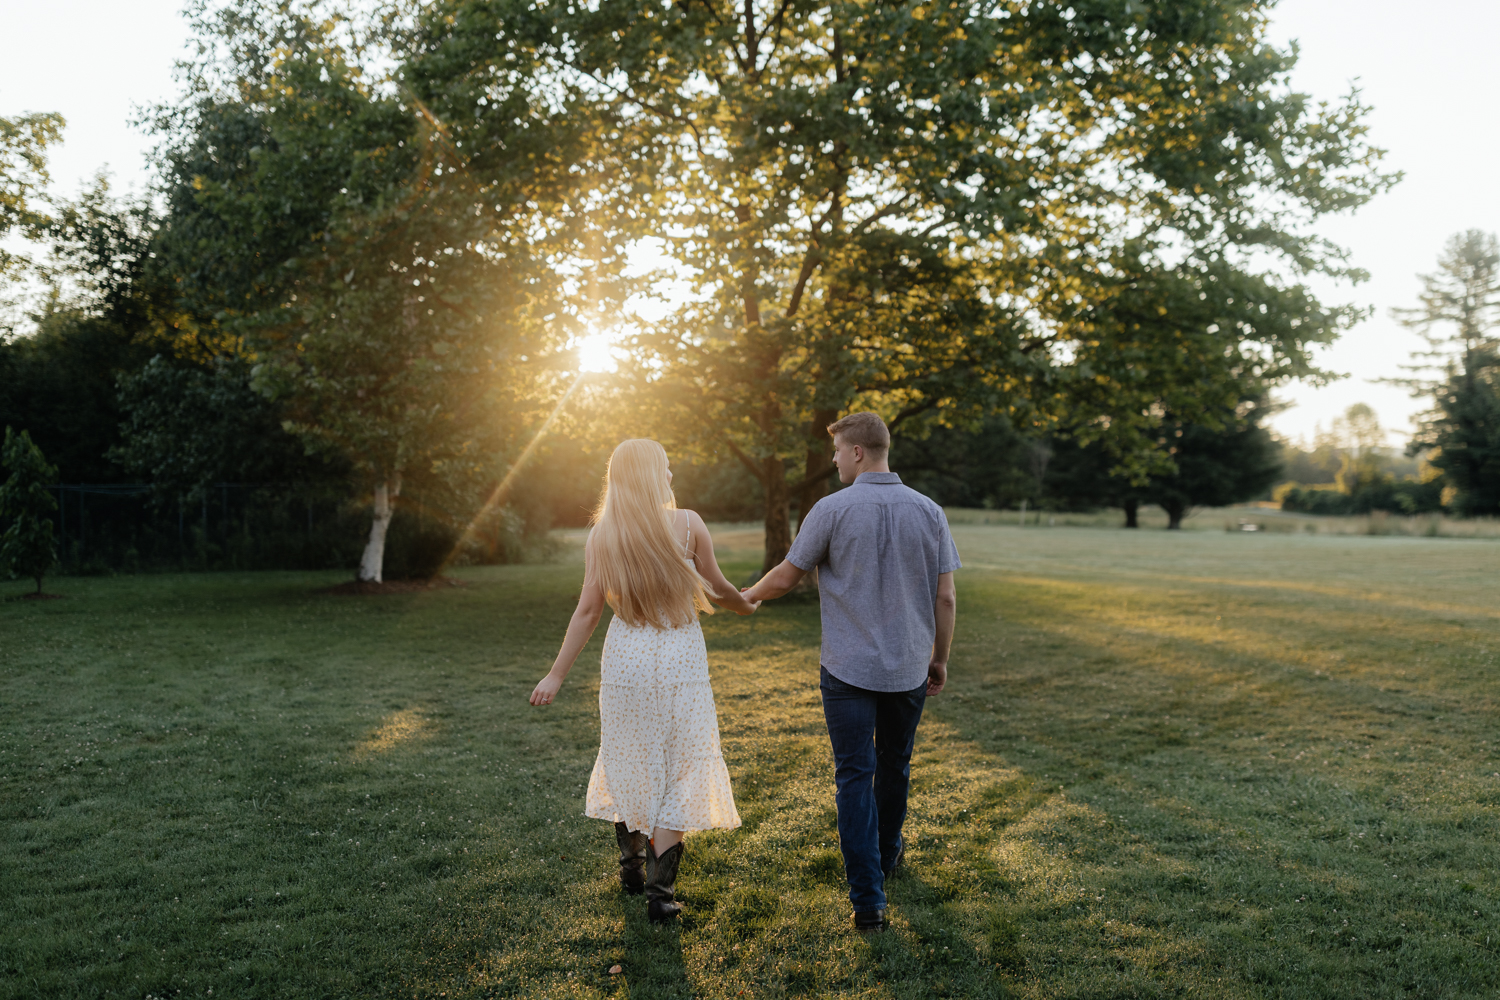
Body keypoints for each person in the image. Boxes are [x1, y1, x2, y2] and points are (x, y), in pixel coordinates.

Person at [742, 411, 959, 932]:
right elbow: (945, 596)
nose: (835, 459)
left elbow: (787, 576)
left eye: (838, 450)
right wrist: (940, 658)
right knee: (895, 765)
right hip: (908, 668)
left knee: (854, 778)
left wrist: (745, 596)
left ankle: (868, 902)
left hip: (847, 671)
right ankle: (885, 858)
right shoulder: (930, 511)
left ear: (858, 451)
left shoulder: (831, 509)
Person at [529, 439, 760, 922]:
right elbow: (718, 587)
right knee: (682, 760)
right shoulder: (688, 523)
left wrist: (556, 674)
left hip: (626, 660)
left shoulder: (601, 535)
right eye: (667, 468)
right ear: (652, 476)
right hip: (680, 656)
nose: (672, 476)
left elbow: (588, 611)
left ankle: (631, 864)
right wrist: (747, 603)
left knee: (629, 756)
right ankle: (661, 893)